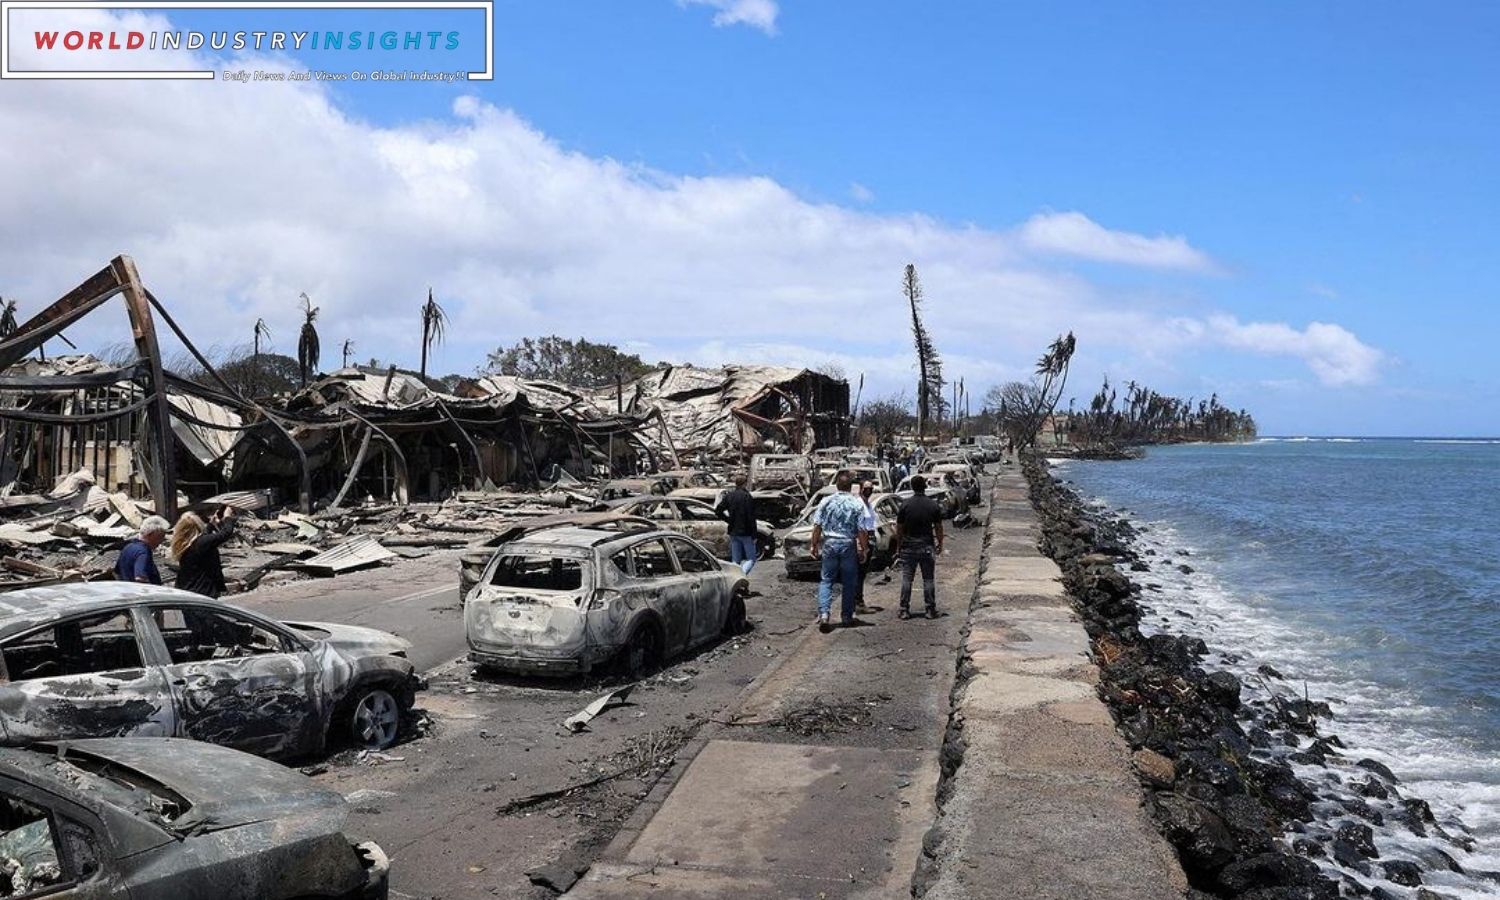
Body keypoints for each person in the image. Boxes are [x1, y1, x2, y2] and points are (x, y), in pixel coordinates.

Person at [809, 471, 869, 632]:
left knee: (826, 580)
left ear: (836, 485)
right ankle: (846, 616)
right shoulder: (856, 503)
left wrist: (813, 544)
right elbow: (861, 529)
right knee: (849, 581)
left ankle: (824, 614)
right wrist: (864, 548)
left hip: (829, 543)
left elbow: (817, 525)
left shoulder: (826, 501)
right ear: (851, 487)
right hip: (848, 544)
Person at [895, 475, 944, 620]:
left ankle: (904, 609)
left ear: (912, 487)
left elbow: (899, 529)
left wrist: (899, 546)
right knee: (928, 579)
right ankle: (930, 609)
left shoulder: (905, 505)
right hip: (926, 546)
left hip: (908, 547)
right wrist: (940, 543)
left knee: (907, 579)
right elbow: (939, 527)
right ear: (925, 487)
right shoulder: (932, 505)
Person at [171, 506, 238, 598]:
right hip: (203, 592)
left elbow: (203, 538)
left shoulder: (185, 543)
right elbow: (225, 533)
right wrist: (227, 517)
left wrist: (211, 525)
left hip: (188, 591)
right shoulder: (201, 543)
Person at [715, 474, 759, 575]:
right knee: (751, 559)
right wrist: (754, 534)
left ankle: (735, 577)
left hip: (733, 531)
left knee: (735, 561)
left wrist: (728, 520)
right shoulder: (747, 497)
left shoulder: (729, 496)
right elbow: (751, 517)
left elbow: (718, 511)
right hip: (746, 532)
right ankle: (740, 576)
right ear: (744, 484)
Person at [114, 515, 169, 585]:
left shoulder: (128, 547)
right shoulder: (143, 553)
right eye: (160, 537)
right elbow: (140, 578)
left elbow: (117, 573)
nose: (161, 541)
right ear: (149, 534)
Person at [853, 480, 879, 614]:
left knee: (862, 573)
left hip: (869, 538)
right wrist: (862, 546)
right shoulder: (858, 504)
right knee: (859, 572)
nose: (869, 490)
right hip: (863, 540)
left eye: (871, 488)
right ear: (860, 489)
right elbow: (859, 527)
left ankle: (858, 600)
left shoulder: (868, 504)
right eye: (866, 488)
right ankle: (858, 602)